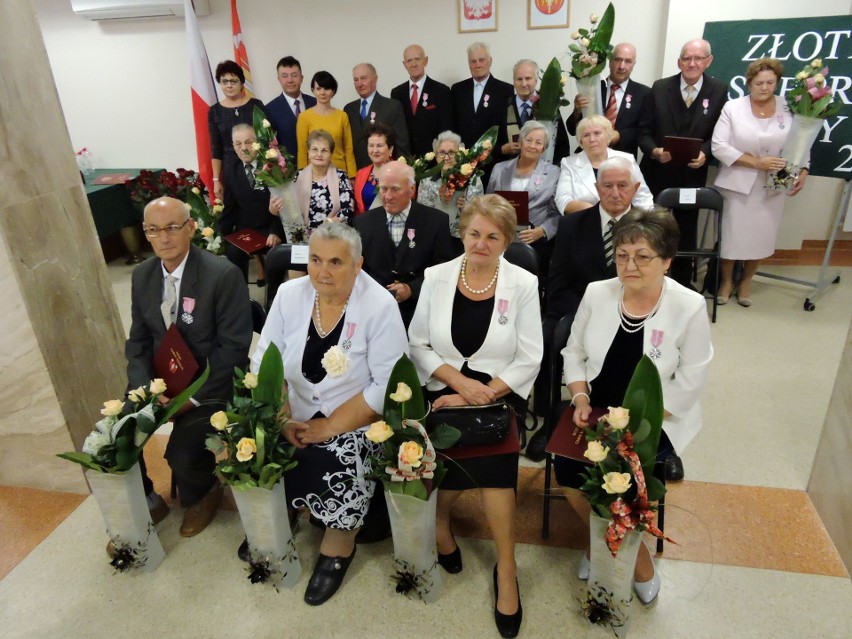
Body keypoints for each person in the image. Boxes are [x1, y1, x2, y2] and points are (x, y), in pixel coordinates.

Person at [554, 208, 712, 604]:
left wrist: (639, 426)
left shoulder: (688, 306)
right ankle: (603, 540)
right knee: (568, 470)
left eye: (643, 256)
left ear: (667, 261)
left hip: (655, 419)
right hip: (594, 409)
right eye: (623, 255)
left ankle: (632, 557)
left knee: (630, 477)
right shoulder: (597, 292)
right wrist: (580, 398)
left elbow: (692, 379)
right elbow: (572, 352)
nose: (630, 265)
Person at [252, 222, 408, 606]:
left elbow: (388, 382)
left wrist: (331, 426)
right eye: (316, 259)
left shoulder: (379, 304)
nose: (322, 271)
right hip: (292, 410)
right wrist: (282, 416)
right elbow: (264, 360)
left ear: (358, 265)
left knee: (346, 453)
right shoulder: (290, 295)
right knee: (256, 442)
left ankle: (338, 546)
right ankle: (280, 518)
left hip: (356, 416)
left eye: (336, 262)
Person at [409, 194, 543, 639]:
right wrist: (460, 386)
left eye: (493, 237)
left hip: (499, 393)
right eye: (473, 234)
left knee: (493, 468)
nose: (481, 244)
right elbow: (419, 345)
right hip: (444, 385)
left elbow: (529, 358)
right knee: (441, 450)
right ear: (461, 233)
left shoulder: (522, 283)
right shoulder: (436, 276)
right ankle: (441, 521)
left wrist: (479, 394)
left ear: (507, 241)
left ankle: (507, 567)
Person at [127, 197, 252, 538]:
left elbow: (234, 349)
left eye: (172, 228)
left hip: (209, 387)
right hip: (159, 383)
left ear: (191, 228)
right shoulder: (143, 276)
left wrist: (189, 401)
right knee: (115, 434)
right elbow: (138, 342)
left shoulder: (221, 275)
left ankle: (204, 492)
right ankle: (149, 498)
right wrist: (143, 391)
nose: (163, 238)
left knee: (181, 453)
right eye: (154, 230)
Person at [525, 157, 644, 462]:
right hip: (578, 311)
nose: (615, 192)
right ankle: (551, 421)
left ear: (635, 188)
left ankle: (652, 434)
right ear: (596, 188)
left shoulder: (649, 227)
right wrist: (587, 317)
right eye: (607, 186)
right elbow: (558, 282)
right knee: (551, 335)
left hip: (634, 313)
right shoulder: (572, 224)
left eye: (622, 185)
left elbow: (654, 284)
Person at [711, 58, 807, 306]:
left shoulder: (789, 107)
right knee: (732, 238)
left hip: (776, 182)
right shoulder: (733, 108)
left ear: (777, 83)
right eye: (758, 83)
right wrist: (755, 163)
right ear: (749, 83)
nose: (764, 87)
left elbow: (801, 142)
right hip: (737, 183)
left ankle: (746, 282)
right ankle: (726, 281)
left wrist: (804, 169)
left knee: (760, 238)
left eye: (770, 82)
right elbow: (719, 146)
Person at [638, 38, 727, 288]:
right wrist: (654, 151)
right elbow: (643, 131)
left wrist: (706, 154)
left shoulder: (719, 90)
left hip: (692, 175)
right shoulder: (659, 88)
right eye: (687, 58)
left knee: (686, 230)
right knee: (653, 227)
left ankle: (682, 282)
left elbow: (719, 134)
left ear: (708, 61)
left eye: (698, 58)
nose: (692, 63)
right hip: (658, 172)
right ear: (679, 61)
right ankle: (650, 277)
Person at [355, 161, 454, 328]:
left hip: (421, 313)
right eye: (384, 189)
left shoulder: (436, 221)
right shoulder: (363, 223)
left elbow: (443, 269)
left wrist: (412, 289)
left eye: (395, 189)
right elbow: (358, 271)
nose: (387, 196)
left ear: (412, 190)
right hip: (374, 314)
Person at [487, 120, 561, 279]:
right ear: (520, 142)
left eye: (538, 142)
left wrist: (542, 231)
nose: (532, 145)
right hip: (500, 236)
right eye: (528, 140)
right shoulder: (499, 169)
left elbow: (557, 212)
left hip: (534, 239)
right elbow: (488, 203)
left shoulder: (554, 172)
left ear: (544, 148)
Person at [219, 124, 285, 283]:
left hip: (271, 227)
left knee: (276, 256)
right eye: (238, 144)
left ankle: (273, 299)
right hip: (246, 230)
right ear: (233, 147)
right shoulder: (231, 170)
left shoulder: (272, 166)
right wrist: (218, 237)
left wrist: (276, 231)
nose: (243, 148)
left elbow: (284, 204)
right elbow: (230, 208)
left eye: (248, 142)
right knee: (233, 252)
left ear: (258, 143)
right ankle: (241, 297)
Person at [555, 115, 653, 214]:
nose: (592, 139)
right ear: (581, 142)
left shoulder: (627, 159)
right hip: (584, 221)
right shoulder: (569, 163)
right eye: (586, 135)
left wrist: (643, 223)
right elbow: (562, 200)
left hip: (625, 222)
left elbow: (643, 198)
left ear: (608, 136)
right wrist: (596, 213)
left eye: (597, 133)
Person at [565, 43, 650, 157]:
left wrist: (620, 135)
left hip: (622, 159)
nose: (622, 66)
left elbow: (645, 132)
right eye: (618, 60)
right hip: (589, 157)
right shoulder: (592, 87)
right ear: (609, 62)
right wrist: (577, 111)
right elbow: (572, 130)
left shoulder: (644, 93)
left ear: (633, 64)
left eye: (628, 61)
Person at [451, 42, 514, 184]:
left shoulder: (506, 90)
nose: (477, 65)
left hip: (495, 162)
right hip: (464, 165)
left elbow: (507, 127)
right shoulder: (457, 90)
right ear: (468, 64)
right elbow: (453, 124)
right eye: (473, 61)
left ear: (490, 61)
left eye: (481, 60)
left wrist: (500, 150)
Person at [208, 60, 267, 203]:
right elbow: (216, 148)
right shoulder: (215, 111)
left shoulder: (256, 105)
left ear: (241, 83)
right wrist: (216, 179)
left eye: (234, 81)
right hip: (230, 170)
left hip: (257, 166)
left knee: (261, 204)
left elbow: (266, 139)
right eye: (224, 81)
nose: (229, 85)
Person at [416, 130, 484, 253]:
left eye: (451, 152)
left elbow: (480, 215)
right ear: (436, 156)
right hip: (433, 238)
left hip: (463, 239)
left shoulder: (473, 180)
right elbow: (422, 215)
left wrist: (465, 208)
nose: (446, 157)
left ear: (461, 155)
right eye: (442, 153)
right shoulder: (426, 180)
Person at [500, 59, 571, 166]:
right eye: (519, 79)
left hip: (544, 175)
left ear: (536, 80)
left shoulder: (549, 106)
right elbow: (491, 146)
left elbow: (562, 146)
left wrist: (553, 173)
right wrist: (502, 149)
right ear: (513, 81)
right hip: (510, 175)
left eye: (528, 78)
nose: (524, 84)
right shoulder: (503, 107)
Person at [391, 44, 454, 156]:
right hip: (406, 160)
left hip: (434, 161)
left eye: (417, 59)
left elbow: (446, 130)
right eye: (409, 60)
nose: (413, 64)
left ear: (425, 61)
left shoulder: (441, 91)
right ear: (404, 64)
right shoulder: (397, 93)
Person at [344, 63, 410, 169]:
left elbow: (402, 145)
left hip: (386, 173)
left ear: (375, 79)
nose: (359, 84)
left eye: (363, 78)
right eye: (356, 80)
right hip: (356, 175)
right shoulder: (349, 109)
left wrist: (401, 172)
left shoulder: (392, 106)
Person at [296, 71, 357, 178]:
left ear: (333, 91)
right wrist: (302, 175)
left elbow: (348, 149)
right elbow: (302, 150)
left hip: (340, 171)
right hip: (314, 174)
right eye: (319, 89)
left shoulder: (342, 116)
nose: (323, 93)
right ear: (313, 90)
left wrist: (352, 175)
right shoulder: (304, 117)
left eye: (327, 88)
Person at [294, 129, 355, 230]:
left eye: (324, 150)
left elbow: (349, 209)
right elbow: (289, 208)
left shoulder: (341, 176)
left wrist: (330, 224)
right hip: (302, 236)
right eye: (314, 149)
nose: (319, 154)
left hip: (332, 233)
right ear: (308, 152)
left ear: (331, 154)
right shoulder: (297, 176)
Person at [264, 56, 317, 159]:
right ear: (278, 79)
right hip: (288, 171)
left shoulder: (315, 103)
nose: (290, 80)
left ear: (301, 78)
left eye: (294, 75)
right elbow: (270, 145)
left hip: (317, 167)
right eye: (285, 76)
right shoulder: (270, 109)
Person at [353, 123, 396, 214]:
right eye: (371, 146)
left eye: (379, 146)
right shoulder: (361, 173)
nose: (375, 150)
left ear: (391, 149)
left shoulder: (401, 173)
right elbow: (357, 209)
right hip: (366, 225)